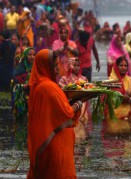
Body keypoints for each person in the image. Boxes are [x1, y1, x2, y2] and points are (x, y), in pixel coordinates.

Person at [27, 49, 94, 178]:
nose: (58, 69)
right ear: (46, 67)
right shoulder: (48, 87)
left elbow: (55, 109)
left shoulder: (38, 86)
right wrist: (79, 103)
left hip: (46, 141)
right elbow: (66, 111)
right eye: (54, 65)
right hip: (55, 144)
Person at [103, 56, 131, 134]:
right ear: (116, 66)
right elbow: (105, 99)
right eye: (121, 65)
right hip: (113, 116)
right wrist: (120, 98)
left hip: (127, 115)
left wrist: (129, 99)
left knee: (126, 137)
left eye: (125, 65)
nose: (123, 67)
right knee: (114, 137)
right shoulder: (111, 81)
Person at [59, 58, 92, 144]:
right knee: (72, 131)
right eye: (74, 65)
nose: (76, 67)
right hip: (70, 107)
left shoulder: (84, 79)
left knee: (81, 131)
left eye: (78, 65)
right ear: (69, 66)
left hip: (82, 108)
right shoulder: (64, 79)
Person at [12, 47, 35, 149]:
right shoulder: (20, 68)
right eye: (30, 54)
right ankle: (20, 142)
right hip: (21, 98)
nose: (32, 57)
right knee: (22, 121)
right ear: (25, 56)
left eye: (34, 55)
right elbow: (14, 83)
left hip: (33, 97)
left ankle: (30, 142)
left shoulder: (36, 67)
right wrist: (23, 86)